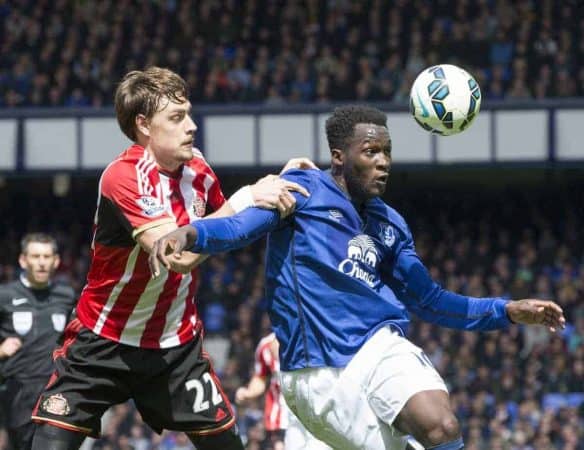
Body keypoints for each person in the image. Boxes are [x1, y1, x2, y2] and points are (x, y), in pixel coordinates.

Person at [150, 105, 566, 450]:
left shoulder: (391, 224)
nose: (383, 162)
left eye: (387, 152)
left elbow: (430, 300)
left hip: (380, 346)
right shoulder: (300, 191)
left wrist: (507, 310)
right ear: (339, 156)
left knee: (441, 426)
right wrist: (192, 232)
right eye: (371, 152)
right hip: (316, 375)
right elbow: (239, 229)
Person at [30, 66, 315, 450]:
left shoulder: (199, 172)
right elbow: (176, 254)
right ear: (144, 125)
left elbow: (228, 229)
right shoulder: (123, 176)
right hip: (101, 342)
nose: (192, 126)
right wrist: (248, 196)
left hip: (175, 348)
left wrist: (276, 188)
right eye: (177, 118)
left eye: (189, 114)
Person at [0, 233, 76, 450]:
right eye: (35, 256)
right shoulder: (4, 296)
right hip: (18, 390)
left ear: (56, 261)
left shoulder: (67, 295)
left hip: (56, 388)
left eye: (46, 256)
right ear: (23, 260)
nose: (41, 262)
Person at [235, 331, 331, 450]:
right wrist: (248, 392)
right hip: (280, 416)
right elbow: (261, 377)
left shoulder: (314, 336)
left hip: (314, 412)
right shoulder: (265, 346)